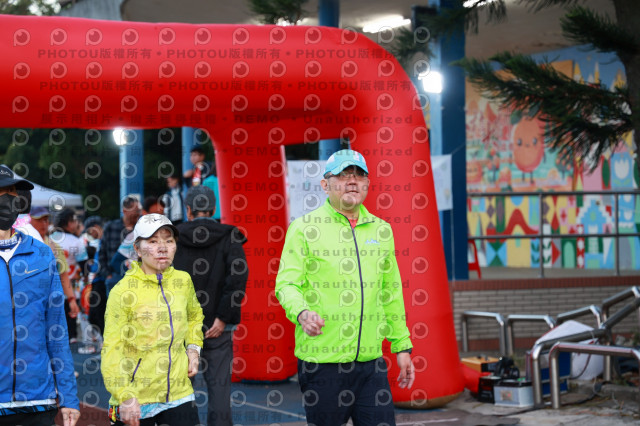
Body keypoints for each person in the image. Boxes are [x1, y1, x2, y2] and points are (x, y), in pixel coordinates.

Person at [275, 149, 415, 426]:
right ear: (325, 185)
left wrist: (402, 347)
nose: (352, 181)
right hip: (322, 363)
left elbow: (390, 292)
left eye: (359, 175)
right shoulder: (304, 228)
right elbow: (287, 284)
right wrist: (302, 313)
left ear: (367, 184)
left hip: (371, 365)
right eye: (343, 175)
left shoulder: (381, 230)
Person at [101, 213, 204, 426]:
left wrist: (193, 349)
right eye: (153, 241)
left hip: (179, 392)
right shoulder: (122, 291)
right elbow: (112, 349)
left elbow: (194, 316)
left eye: (169, 241)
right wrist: (125, 395)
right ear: (137, 249)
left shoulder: (183, 280)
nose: (162, 248)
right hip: (136, 397)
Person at [0, 165, 80, 426]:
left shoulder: (42, 254)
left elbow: (56, 329)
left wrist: (69, 397)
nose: (6, 201)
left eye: (11, 194)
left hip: (38, 401)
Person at [173, 186, 248, 426]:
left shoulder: (173, 237)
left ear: (188, 210)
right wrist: (223, 317)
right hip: (218, 328)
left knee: (180, 391)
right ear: (214, 209)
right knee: (220, 392)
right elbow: (238, 277)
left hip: (182, 327)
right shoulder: (230, 236)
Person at [51, 207, 89, 344]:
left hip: (52, 283)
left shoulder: (49, 239)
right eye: (75, 221)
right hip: (72, 282)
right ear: (68, 222)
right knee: (71, 308)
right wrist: (86, 278)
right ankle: (72, 336)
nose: (77, 224)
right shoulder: (75, 241)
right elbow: (84, 264)